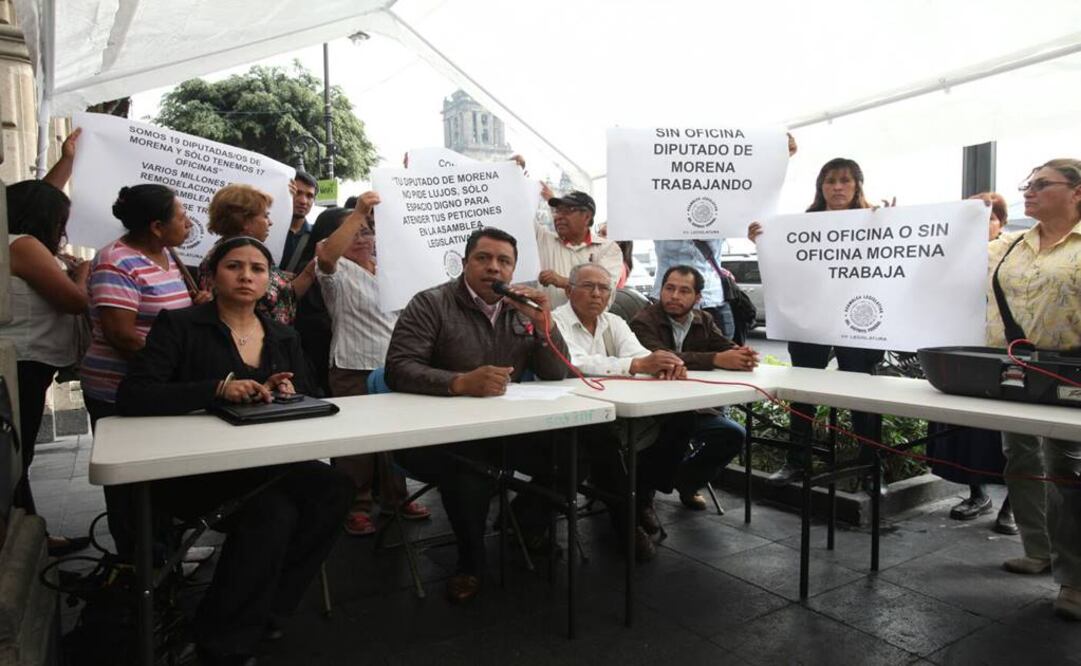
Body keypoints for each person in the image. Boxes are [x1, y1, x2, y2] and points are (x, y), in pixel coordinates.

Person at [117, 236, 352, 665]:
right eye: (234, 266)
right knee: (274, 513)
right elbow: (134, 395)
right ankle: (223, 638)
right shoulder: (181, 326)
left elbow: (312, 393)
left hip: (269, 461)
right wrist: (217, 390)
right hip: (199, 469)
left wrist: (289, 390)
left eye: (258, 269)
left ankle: (267, 607)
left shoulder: (283, 334)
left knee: (335, 488)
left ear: (269, 282)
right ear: (212, 274)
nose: (246, 276)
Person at [385, 227, 569, 603]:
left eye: (504, 262)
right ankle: (470, 560)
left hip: (505, 429)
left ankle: (522, 523)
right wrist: (459, 382)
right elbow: (398, 368)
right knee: (471, 469)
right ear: (465, 262)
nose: (494, 269)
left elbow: (557, 372)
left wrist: (543, 324)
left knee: (573, 451)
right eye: (483, 259)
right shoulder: (431, 303)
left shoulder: (521, 310)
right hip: (437, 436)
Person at [81, 184, 210, 558]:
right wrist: (178, 365)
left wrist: (194, 307)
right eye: (182, 217)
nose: (189, 223)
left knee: (163, 480)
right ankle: (139, 568)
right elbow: (121, 335)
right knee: (131, 485)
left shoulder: (168, 255)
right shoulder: (115, 261)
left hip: (161, 388)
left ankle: (166, 557)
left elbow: (168, 320)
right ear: (156, 226)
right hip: (118, 390)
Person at [748, 157, 887, 493]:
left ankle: (871, 468)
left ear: (857, 186)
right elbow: (785, 265)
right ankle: (797, 462)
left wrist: (892, 223)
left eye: (845, 181)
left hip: (858, 321)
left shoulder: (876, 220)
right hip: (811, 319)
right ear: (820, 187)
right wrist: (762, 242)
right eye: (830, 181)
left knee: (862, 395)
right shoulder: (802, 224)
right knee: (803, 392)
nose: (837, 187)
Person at [987, 159, 1081, 621]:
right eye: (1027, 184)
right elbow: (944, 251)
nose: (1029, 191)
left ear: (1077, 192)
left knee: (1066, 468)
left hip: (1072, 370)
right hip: (1017, 369)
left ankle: (1074, 578)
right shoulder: (1010, 246)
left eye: (1042, 184)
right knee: (1020, 455)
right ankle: (1038, 549)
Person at [551, 262, 692, 561]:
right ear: (568, 290)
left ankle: (642, 498)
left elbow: (639, 354)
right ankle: (625, 524)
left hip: (616, 408)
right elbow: (573, 363)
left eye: (604, 288)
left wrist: (662, 363)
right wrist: (635, 366)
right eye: (589, 286)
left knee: (683, 418)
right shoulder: (555, 321)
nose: (597, 294)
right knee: (603, 438)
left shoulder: (613, 321)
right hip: (571, 414)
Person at [315, 193, 429, 535]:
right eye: (354, 232)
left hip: (394, 366)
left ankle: (396, 496)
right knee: (358, 443)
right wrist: (359, 211)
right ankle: (357, 503)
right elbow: (326, 255)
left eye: (367, 231)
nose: (362, 238)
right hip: (353, 364)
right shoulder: (336, 270)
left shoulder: (388, 268)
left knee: (395, 436)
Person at [2, 174, 91, 555]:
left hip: (29, 362)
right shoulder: (23, 244)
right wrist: (83, 274)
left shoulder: (18, 244)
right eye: (60, 222)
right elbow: (75, 301)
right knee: (17, 458)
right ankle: (27, 537)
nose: (63, 231)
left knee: (19, 456)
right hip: (24, 363)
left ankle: (33, 534)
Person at [630, 264, 758, 510]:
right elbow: (661, 357)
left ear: (697, 298)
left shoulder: (704, 319)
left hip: (694, 407)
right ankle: (644, 497)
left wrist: (742, 355)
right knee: (677, 427)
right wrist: (715, 360)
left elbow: (725, 346)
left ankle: (686, 481)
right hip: (653, 410)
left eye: (684, 291)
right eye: (669, 288)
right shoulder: (644, 320)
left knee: (732, 434)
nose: (675, 296)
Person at [926, 192, 1014, 532]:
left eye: (990, 217)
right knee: (967, 432)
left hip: (1003, 354)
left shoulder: (1015, 254)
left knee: (1009, 433)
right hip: (962, 356)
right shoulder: (948, 256)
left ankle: (1013, 504)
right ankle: (978, 495)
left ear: (1001, 223)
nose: (982, 225)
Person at [198, 183, 315, 325]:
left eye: (257, 269)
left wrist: (281, 278)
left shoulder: (244, 251)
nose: (270, 223)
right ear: (245, 221)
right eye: (265, 216)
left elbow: (283, 295)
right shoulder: (225, 256)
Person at [535, 188, 624, 307]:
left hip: (586, 325)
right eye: (557, 211)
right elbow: (518, 213)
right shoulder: (544, 239)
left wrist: (562, 281)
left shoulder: (608, 248)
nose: (558, 217)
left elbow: (604, 291)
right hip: (546, 324)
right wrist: (515, 177)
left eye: (567, 211)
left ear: (587, 217)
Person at [280, 171, 318, 273]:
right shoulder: (267, 230)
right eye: (297, 193)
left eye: (309, 196)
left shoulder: (316, 237)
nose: (303, 201)